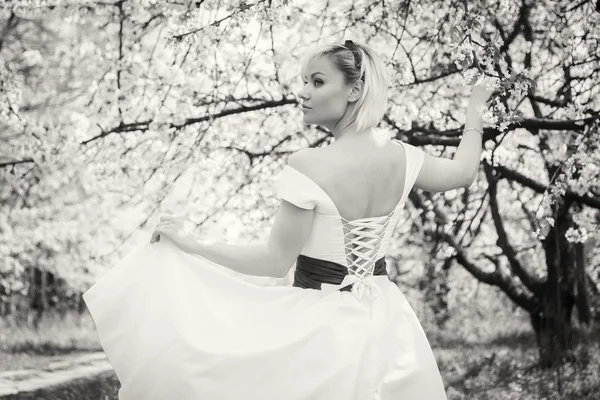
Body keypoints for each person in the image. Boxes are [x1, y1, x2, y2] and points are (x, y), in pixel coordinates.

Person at [83, 40, 494, 400]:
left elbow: (273, 262)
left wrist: (193, 243)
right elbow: (462, 173)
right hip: (388, 321)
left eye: (317, 82)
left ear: (354, 90)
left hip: (321, 327)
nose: (302, 93)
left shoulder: (309, 165)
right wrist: (475, 114)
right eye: (303, 81)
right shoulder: (405, 156)